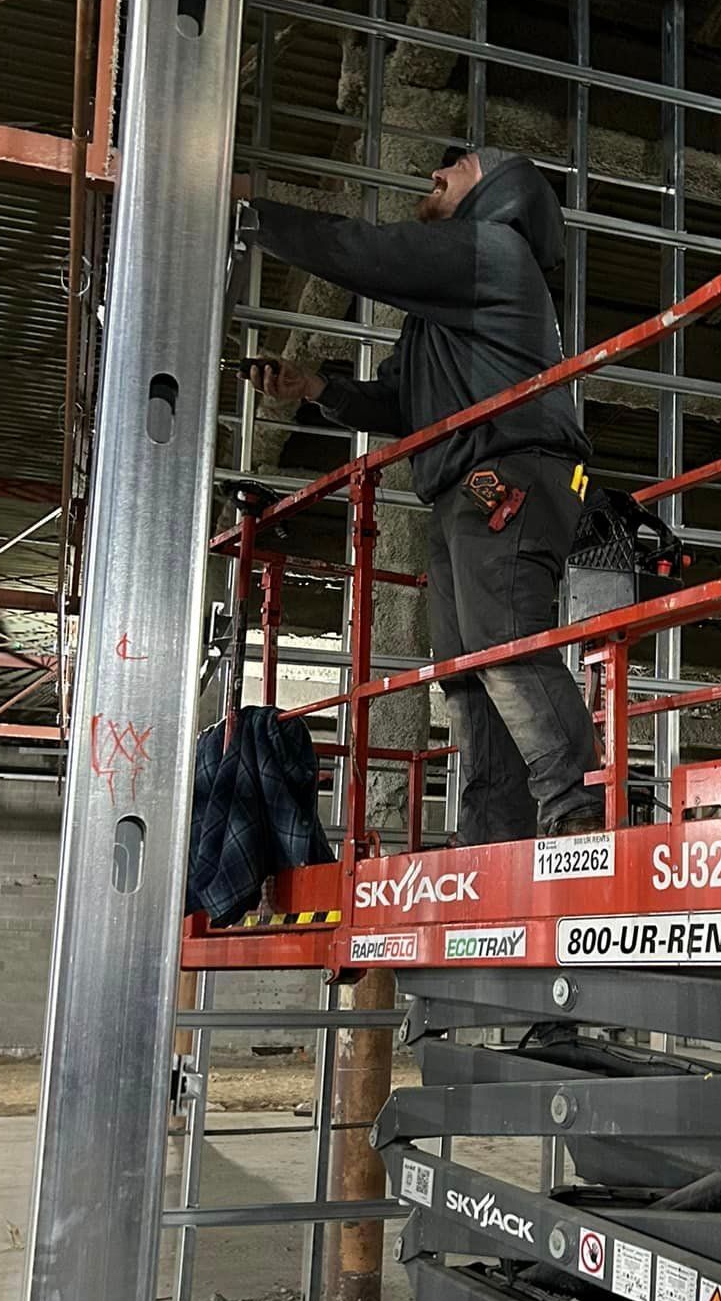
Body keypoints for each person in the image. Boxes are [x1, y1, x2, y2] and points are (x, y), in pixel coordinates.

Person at [240, 146, 604, 845]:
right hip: (464, 488)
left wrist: (254, 212)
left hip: (509, 471)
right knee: (468, 671)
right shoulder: (438, 314)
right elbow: (402, 403)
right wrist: (313, 389)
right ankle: (494, 833)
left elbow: (364, 251)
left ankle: (581, 806)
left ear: (498, 186)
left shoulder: (492, 249)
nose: (434, 172)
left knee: (503, 641)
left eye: (457, 164)